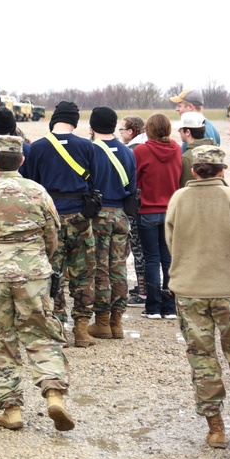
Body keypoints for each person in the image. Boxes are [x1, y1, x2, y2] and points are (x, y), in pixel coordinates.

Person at [0, 135, 74, 432]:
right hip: (31, 272)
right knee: (42, 333)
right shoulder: (38, 192)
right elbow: (52, 235)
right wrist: (38, 261)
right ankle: (53, 394)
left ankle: (11, 409)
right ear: (22, 160)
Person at [165, 145, 230, 449]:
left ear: (194, 169)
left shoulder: (179, 198)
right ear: (223, 170)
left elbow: (171, 240)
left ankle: (215, 428)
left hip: (189, 289)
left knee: (202, 359)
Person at [23, 101, 99, 347]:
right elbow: (93, 180)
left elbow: (32, 184)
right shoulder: (87, 147)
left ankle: (56, 328)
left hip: (50, 217)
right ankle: (81, 330)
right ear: (75, 122)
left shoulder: (38, 148)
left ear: (53, 120)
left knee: (52, 273)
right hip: (80, 216)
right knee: (84, 273)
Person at [86, 107, 137, 341]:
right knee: (119, 269)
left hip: (99, 215)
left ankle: (102, 322)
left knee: (99, 269)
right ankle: (117, 323)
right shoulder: (127, 152)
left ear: (93, 126)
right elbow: (133, 186)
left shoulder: (91, 151)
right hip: (121, 215)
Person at [133, 113, 182, 320]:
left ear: (149, 130)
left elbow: (134, 179)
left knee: (151, 259)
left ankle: (153, 306)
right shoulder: (177, 149)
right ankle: (169, 306)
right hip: (170, 210)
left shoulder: (142, 150)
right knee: (168, 258)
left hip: (147, 210)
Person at [119, 115, 147, 307]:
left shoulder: (132, 150)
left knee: (138, 250)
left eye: (121, 130)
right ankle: (146, 286)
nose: (119, 133)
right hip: (153, 207)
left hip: (136, 206)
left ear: (131, 131)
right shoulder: (146, 146)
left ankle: (143, 291)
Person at [178, 112, 213, 188]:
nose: (179, 131)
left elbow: (185, 188)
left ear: (187, 132)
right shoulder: (215, 152)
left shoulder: (186, 159)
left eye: (180, 129)